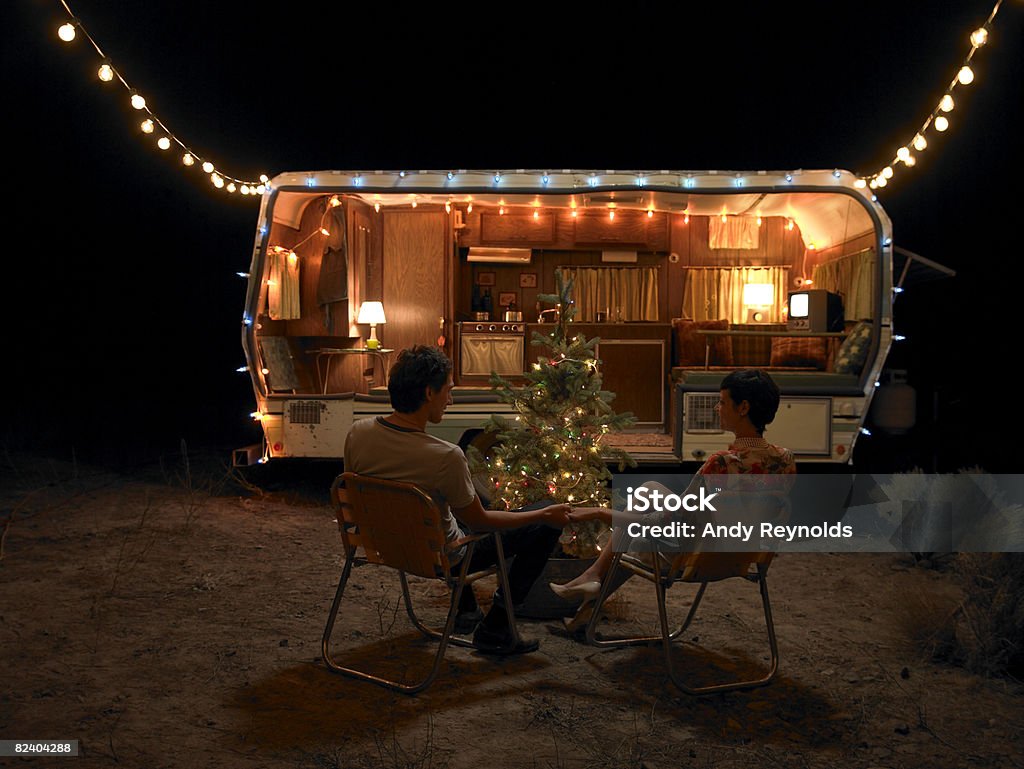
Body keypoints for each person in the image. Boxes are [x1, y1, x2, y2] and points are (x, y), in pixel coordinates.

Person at [344, 345, 572, 655]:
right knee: (544, 523)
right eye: (448, 392)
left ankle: (466, 609)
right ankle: (497, 628)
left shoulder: (358, 433)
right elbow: (482, 522)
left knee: (456, 505)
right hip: (443, 557)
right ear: (428, 393)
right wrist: (543, 515)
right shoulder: (445, 457)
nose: (450, 401)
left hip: (385, 545)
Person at [550, 369, 797, 630]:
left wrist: (601, 513)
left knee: (637, 524)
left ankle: (591, 583)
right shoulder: (785, 459)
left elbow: (667, 520)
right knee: (651, 490)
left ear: (743, 407)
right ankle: (588, 600)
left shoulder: (722, 464)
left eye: (723, 401)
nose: (717, 407)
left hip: (696, 560)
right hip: (744, 557)